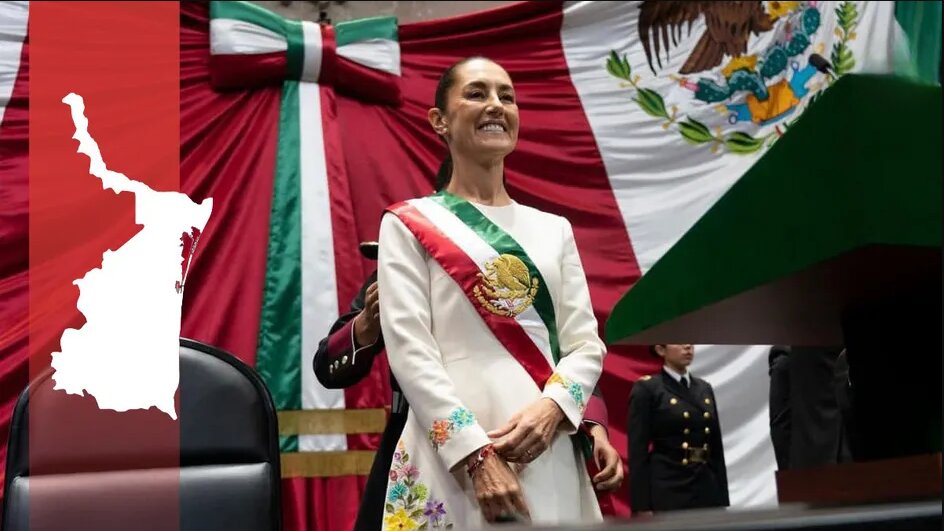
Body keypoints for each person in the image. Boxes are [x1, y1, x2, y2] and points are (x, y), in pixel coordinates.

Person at [375, 56, 608, 528]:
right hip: (452, 457)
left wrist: (553, 410)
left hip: (546, 449)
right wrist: (476, 455)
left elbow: (585, 343)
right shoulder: (407, 224)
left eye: (507, 95)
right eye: (477, 93)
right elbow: (411, 353)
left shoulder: (554, 229)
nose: (496, 105)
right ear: (439, 121)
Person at [314, 246, 621, 529]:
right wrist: (367, 322)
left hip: (531, 439)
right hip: (425, 438)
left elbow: (561, 349)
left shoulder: (524, 253)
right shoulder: (409, 248)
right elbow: (328, 367)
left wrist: (593, 426)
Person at [628, 344, 729, 515]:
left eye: (690, 341)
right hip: (669, 485)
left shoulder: (703, 388)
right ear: (661, 350)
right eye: (679, 341)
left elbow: (716, 447)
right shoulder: (649, 389)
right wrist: (642, 505)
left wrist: (722, 497)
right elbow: (638, 451)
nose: (687, 347)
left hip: (705, 485)